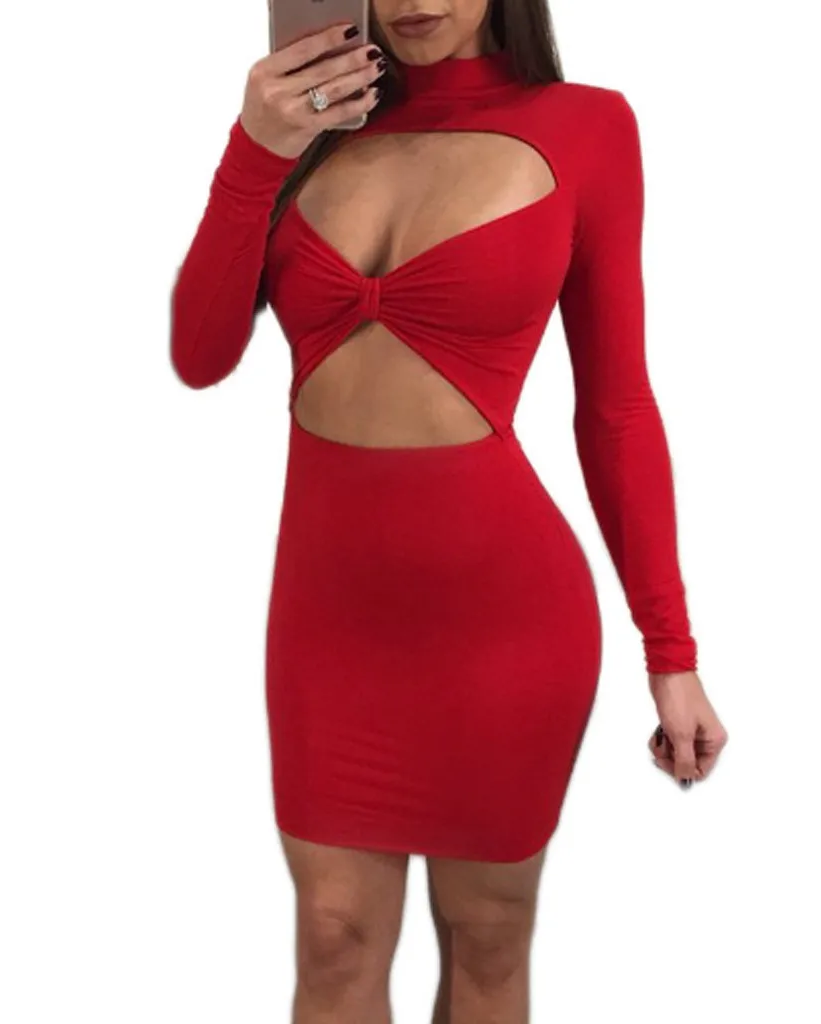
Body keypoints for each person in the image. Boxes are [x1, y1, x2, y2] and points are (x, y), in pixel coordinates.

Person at [169, 1, 728, 1020]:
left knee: (487, 938)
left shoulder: (587, 125)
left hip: (502, 625)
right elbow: (199, 356)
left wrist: (671, 648)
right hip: (329, 623)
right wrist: (255, 148)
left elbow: (614, 409)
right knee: (333, 939)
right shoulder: (311, 125)